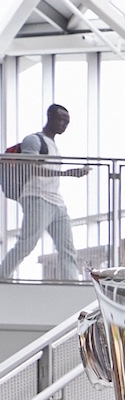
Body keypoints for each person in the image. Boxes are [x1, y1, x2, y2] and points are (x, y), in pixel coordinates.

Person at [1, 103, 90, 280]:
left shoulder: (54, 145)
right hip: (36, 197)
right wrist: (67, 174)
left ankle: (71, 285)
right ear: (50, 117)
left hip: (56, 201)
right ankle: (2, 276)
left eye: (67, 121)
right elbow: (30, 168)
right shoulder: (34, 140)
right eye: (61, 119)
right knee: (27, 243)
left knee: (68, 249)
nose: (64, 124)